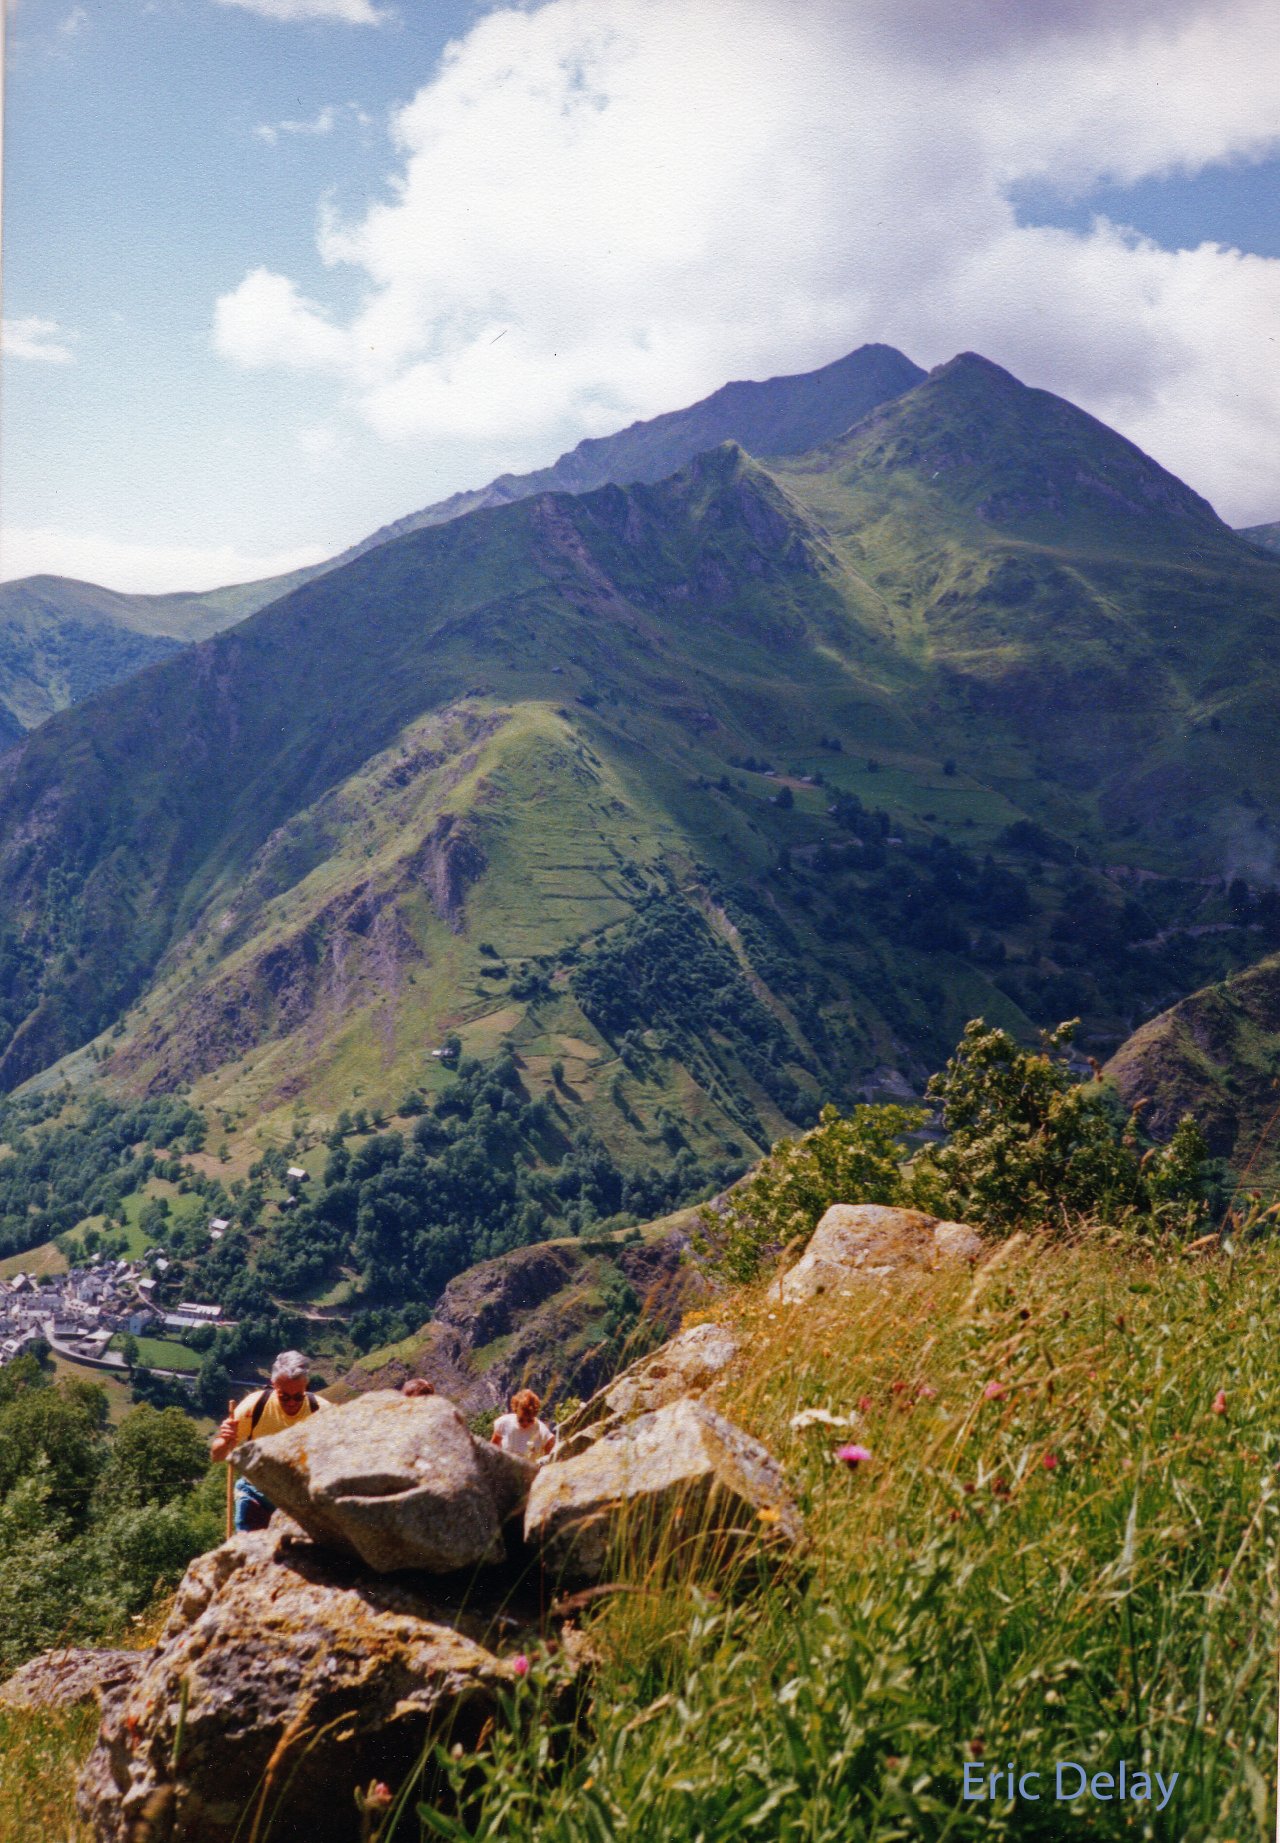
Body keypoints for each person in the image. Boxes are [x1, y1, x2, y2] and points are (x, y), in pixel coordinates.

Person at [211, 1350, 328, 1532]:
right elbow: (217, 1456)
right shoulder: (255, 1406)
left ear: (306, 1386)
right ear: (273, 1385)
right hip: (256, 1495)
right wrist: (226, 1439)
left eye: (298, 1396)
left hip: (301, 1500)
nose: (291, 1403)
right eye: (284, 1396)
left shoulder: (321, 1411)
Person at [491, 1388, 554, 1461]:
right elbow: (493, 1445)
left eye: (530, 1420)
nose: (525, 1423)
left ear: (535, 1415)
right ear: (515, 1411)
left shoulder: (540, 1429)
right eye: (521, 1420)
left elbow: (551, 1442)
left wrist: (544, 1460)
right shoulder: (504, 1423)